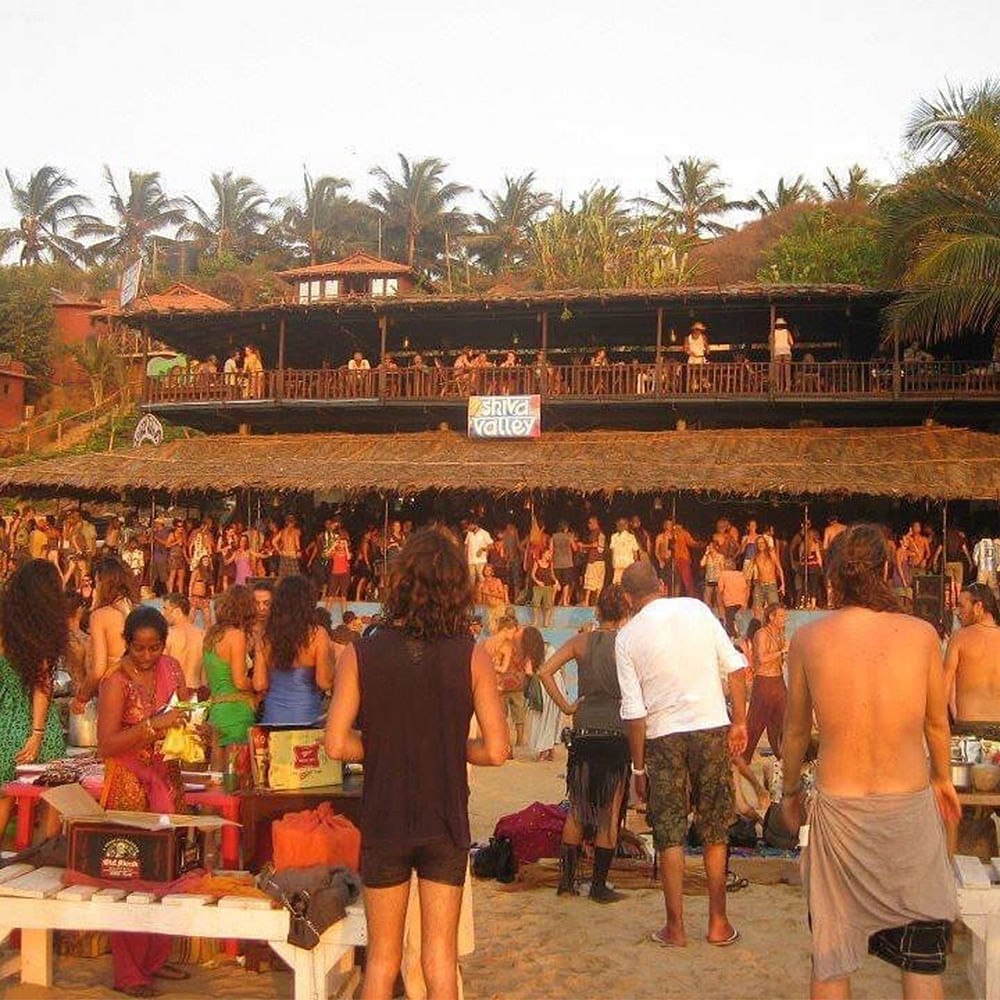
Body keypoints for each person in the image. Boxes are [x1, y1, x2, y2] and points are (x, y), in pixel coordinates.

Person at [324, 527, 507, 1000]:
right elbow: (497, 750)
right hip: (445, 818)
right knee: (438, 959)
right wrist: (445, 746)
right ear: (456, 590)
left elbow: (337, 744)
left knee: (382, 961)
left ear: (400, 583)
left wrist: (388, 744)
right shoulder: (472, 656)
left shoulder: (360, 653)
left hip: (385, 817)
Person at [781, 523, 959, 998]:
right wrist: (942, 778)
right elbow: (936, 724)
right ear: (887, 568)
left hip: (840, 811)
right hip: (907, 811)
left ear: (834, 574)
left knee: (832, 959)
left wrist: (790, 792)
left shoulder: (809, 640)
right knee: (921, 964)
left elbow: (795, 732)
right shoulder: (922, 635)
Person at [616, 560, 747, 948]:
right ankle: (718, 922)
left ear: (628, 598)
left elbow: (635, 714)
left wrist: (638, 769)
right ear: (661, 584)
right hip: (710, 726)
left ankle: (675, 928)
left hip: (662, 737)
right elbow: (736, 669)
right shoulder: (696, 608)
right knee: (715, 828)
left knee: (670, 832)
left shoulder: (627, 637)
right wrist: (739, 721)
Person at [97, 606, 192, 996]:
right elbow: (106, 743)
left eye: (155, 648)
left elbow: (184, 713)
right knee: (130, 877)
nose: (149, 656)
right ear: (127, 644)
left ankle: (155, 957)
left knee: (168, 873)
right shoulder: (115, 681)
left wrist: (190, 723)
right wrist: (153, 727)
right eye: (140, 649)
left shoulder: (173, 668)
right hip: (129, 788)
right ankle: (130, 971)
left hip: (167, 783)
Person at [539, 585, 631, 903]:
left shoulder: (581, 642)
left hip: (585, 730)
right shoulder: (628, 645)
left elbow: (545, 671)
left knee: (578, 808)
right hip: (616, 732)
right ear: (624, 614)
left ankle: (566, 883)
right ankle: (598, 886)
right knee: (610, 810)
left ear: (598, 611)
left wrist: (567, 707)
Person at [0, 561, 68, 838]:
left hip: (4, 721)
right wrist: (37, 733)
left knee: (3, 794)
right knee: (52, 793)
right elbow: (42, 686)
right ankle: (43, 855)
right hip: (38, 727)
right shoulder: (41, 632)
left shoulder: (5, 626)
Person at [254, 574, 334, 726]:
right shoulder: (317, 635)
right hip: (307, 717)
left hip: (273, 718)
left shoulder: (266, 635)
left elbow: (259, 684)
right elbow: (324, 682)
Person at [74, 555, 137, 710]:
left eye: (96, 583)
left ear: (103, 582)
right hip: (140, 692)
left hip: (114, 694)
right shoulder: (138, 611)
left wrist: (81, 698)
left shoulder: (101, 616)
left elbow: (98, 669)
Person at [204, 586, 257, 756]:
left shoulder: (211, 635)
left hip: (217, 710)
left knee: (217, 773)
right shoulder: (236, 635)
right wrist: (258, 684)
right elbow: (240, 681)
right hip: (237, 710)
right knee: (237, 773)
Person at [944, 583, 1000, 735]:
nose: (957, 612)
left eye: (962, 606)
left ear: (978, 606)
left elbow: (944, 686)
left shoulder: (960, 638)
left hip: (968, 726)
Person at [742, 604, 788, 762]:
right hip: (764, 682)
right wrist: (782, 652)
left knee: (783, 722)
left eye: (784, 616)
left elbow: (781, 659)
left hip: (778, 680)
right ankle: (743, 759)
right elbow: (761, 659)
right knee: (755, 724)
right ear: (771, 617)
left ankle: (783, 756)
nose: (785, 619)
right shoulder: (761, 634)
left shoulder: (780, 633)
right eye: (781, 616)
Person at [523, 626, 561, 761]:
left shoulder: (530, 654)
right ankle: (550, 750)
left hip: (542, 688)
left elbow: (528, 672)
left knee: (540, 719)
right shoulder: (549, 648)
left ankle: (543, 752)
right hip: (556, 685)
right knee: (551, 719)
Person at [163, 593, 205, 692]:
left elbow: (162, 668)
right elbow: (205, 673)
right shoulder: (202, 635)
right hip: (196, 690)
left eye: (166, 609)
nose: (163, 612)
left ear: (177, 611)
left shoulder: (168, 635)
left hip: (174, 691)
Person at [750, 534, 784, 618]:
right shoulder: (755, 556)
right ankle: (757, 628)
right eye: (759, 543)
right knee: (757, 610)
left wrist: (783, 585)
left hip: (771, 585)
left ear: (765, 544)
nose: (761, 545)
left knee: (774, 611)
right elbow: (749, 571)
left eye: (762, 543)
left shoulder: (771, 554)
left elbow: (779, 569)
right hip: (759, 585)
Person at [717, 562, 750, 636]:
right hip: (740, 601)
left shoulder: (723, 574)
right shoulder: (741, 574)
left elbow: (720, 590)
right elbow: (746, 588)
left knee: (730, 621)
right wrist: (745, 602)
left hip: (729, 602)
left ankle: (733, 635)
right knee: (734, 620)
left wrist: (719, 603)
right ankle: (737, 633)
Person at [580, 515, 607, 605]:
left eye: (590, 523)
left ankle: (587, 601)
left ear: (595, 523)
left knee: (590, 582)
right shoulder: (596, 533)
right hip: (599, 560)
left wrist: (583, 545)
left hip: (595, 561)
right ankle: (594, 602)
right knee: (597, 582)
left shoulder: (599, 533)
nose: (589, 525)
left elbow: (597, 545)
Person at [477, 564, 509, 635]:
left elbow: (502, 595)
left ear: (492, 571)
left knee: (501, 630)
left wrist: (488, 593)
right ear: (483, 571)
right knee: (492, 631)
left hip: (499, 607)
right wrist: (479, 591)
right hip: (489, 609)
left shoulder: (497, 581)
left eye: (489, 570)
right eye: (486, 570)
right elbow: (480, 602)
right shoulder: (482, 583)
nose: (487, 571)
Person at [551, 521, 576, 606]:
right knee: (566, 583)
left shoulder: (553, 537)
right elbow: (575, 548)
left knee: (555, 582)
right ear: (565, 528)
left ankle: (551, 601)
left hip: (556, 563)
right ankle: (565, 601)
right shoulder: (569, 536)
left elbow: (551, 551)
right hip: (567, 563)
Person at [530, 547, 557, 628]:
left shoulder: (550, 564)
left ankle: (546, 622)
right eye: (548, 553)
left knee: (548, 604)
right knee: (536, 603)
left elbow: (552, 575)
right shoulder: (537, 562)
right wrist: (538, 582)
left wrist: (556, 582)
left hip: (548, 586)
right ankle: (535, 621)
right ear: (544, 554)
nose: (549, 555)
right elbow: (533, 575)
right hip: (538, 586)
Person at [609, 517, 640, 585]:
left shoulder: (630, 537)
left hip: (625, 566)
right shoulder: (614, 537)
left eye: (622, 524)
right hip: (621, 566)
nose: (621, 526)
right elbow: (635, 554)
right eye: (620, 524)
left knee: (622, 586)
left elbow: (635, 554)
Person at [464, 520, 492, 586]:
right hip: (471, 561)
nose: (469, 527)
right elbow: (466, 546)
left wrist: (483, 549)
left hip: (481, 560)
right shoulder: (469, 534)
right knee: (471, 580)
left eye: (470, 525)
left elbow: (491, 546)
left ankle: (484, 594)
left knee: (482, 578)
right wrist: (465, 557)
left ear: (475, 525)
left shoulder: (484, 533)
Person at [770, 317, 793, 391]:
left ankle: (778, 388)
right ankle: (787, 388)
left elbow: (771, 343)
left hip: (777, 352)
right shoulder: (787, 332)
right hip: (786, 351)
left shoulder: (773, 333)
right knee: (787, 370)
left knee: (777, 371)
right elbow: (791, 343)